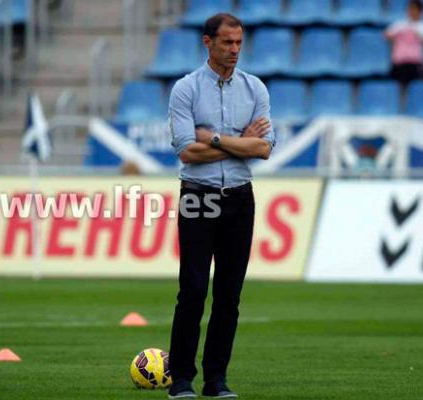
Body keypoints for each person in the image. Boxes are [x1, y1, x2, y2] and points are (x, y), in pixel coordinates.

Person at [167, 13, 275, 399]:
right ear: (207, 42)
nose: (234, 50)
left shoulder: (256, 89)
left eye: (239, 43)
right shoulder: (185, 89)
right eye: (227, 43)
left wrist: (212, 138)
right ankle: (181, 379)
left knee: (229, 294)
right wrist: (236, 142)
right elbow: (186, 152)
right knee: (193, 289)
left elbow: (262, 148)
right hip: (198, 195)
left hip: (240, 199)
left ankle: (216, 380)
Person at [384, 0, 423, 85]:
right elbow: (386, 35)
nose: (411, 11)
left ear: (420, 11)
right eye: (409, 9)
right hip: (399, 63)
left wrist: (421, 38)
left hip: (418, 64)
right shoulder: (400, 24)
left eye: (414, 9)